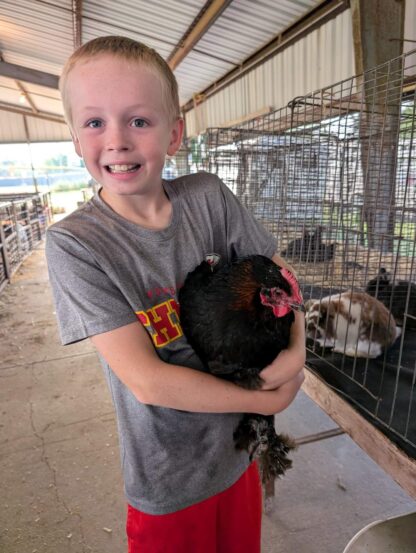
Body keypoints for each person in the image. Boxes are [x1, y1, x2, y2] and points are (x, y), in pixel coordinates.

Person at [46, 35, 306, 553]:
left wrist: (298, 355)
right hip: (169, 476)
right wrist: (265, 392)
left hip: (238, 455)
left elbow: (281, 276)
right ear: (76, 138)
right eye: (95, 122)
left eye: (138, 120)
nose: (117, 141)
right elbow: (148, 382)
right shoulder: (77, 245)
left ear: (174, 133)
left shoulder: (209, 197)